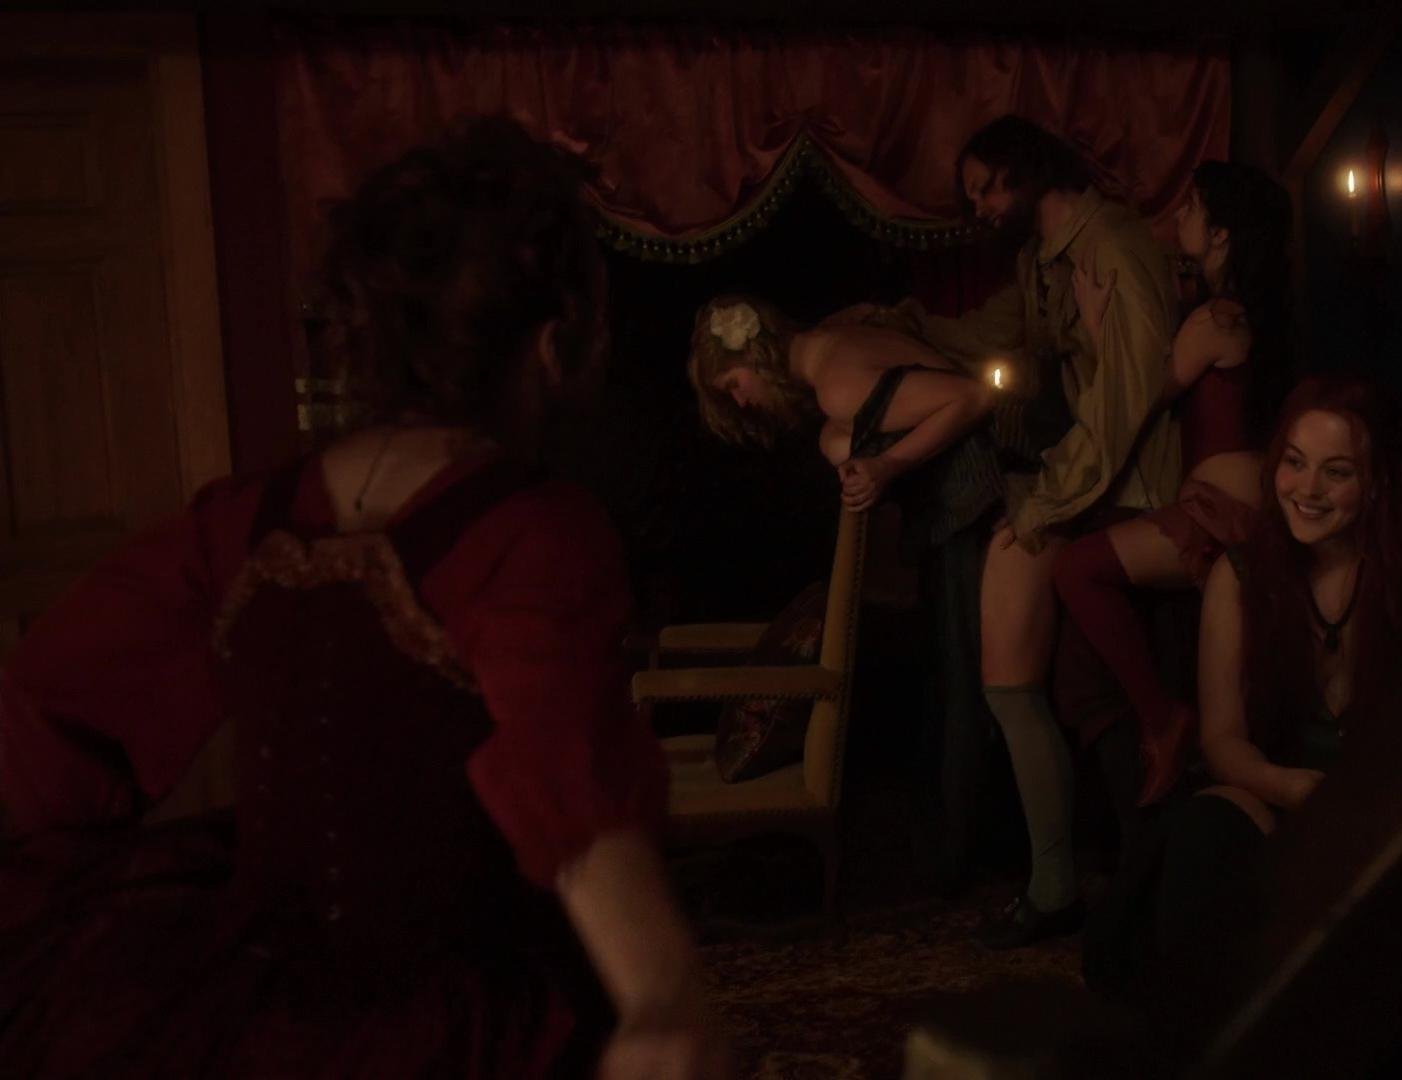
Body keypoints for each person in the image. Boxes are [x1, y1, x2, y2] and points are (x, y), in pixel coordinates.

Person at [0, 117, 723, 1079]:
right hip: (458, 1020)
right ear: (554, 346)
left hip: (254, 1013)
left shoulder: (245, 520)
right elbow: (567, 776)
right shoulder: (532, 530)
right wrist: (662, 992)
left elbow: (49, 700)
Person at [836, 115, 1182, 948]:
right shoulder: (1040, 260)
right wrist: (894, 325)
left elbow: (1124, 403)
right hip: (1084, 488)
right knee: (1041, 685)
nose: (983, 208)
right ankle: (1084, 885)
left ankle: (1141, 892)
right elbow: (994, 337)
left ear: (1029, 168)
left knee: (1077, 688)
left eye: (989, 187)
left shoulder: (1112, 248)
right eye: (973, 196)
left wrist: (1043, 502)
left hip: (1129, 492)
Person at [1082, 375, 1402, 1008]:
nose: (1307, 490)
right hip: (1282, 792)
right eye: (1294, 463)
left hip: (1393, 807)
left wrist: (1363, 807)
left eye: (1336, 472)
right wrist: (1294, 789)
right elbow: (1223, 740)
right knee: (1202, 835)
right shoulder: (1241, 577)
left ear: (1376, 482)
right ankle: (1201, 1035)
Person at [1052, 160, 1294, 808]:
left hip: (1222, 513)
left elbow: (1137, 400)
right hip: (1223, 505)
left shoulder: (1216, 319)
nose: (1178, 215)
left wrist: (1096, 325)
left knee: (1075, 568)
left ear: (1222, 234)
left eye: (1191, 206)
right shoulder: (1230, 313)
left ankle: (1162, 719)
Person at [685, 294, 999, 527]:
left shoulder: (837, 387)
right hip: (969, 497)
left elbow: (972, 395)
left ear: (757, 354)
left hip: (983, 493)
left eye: (733, 384)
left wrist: (887, 465)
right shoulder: (829, 339)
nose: (740, 401)